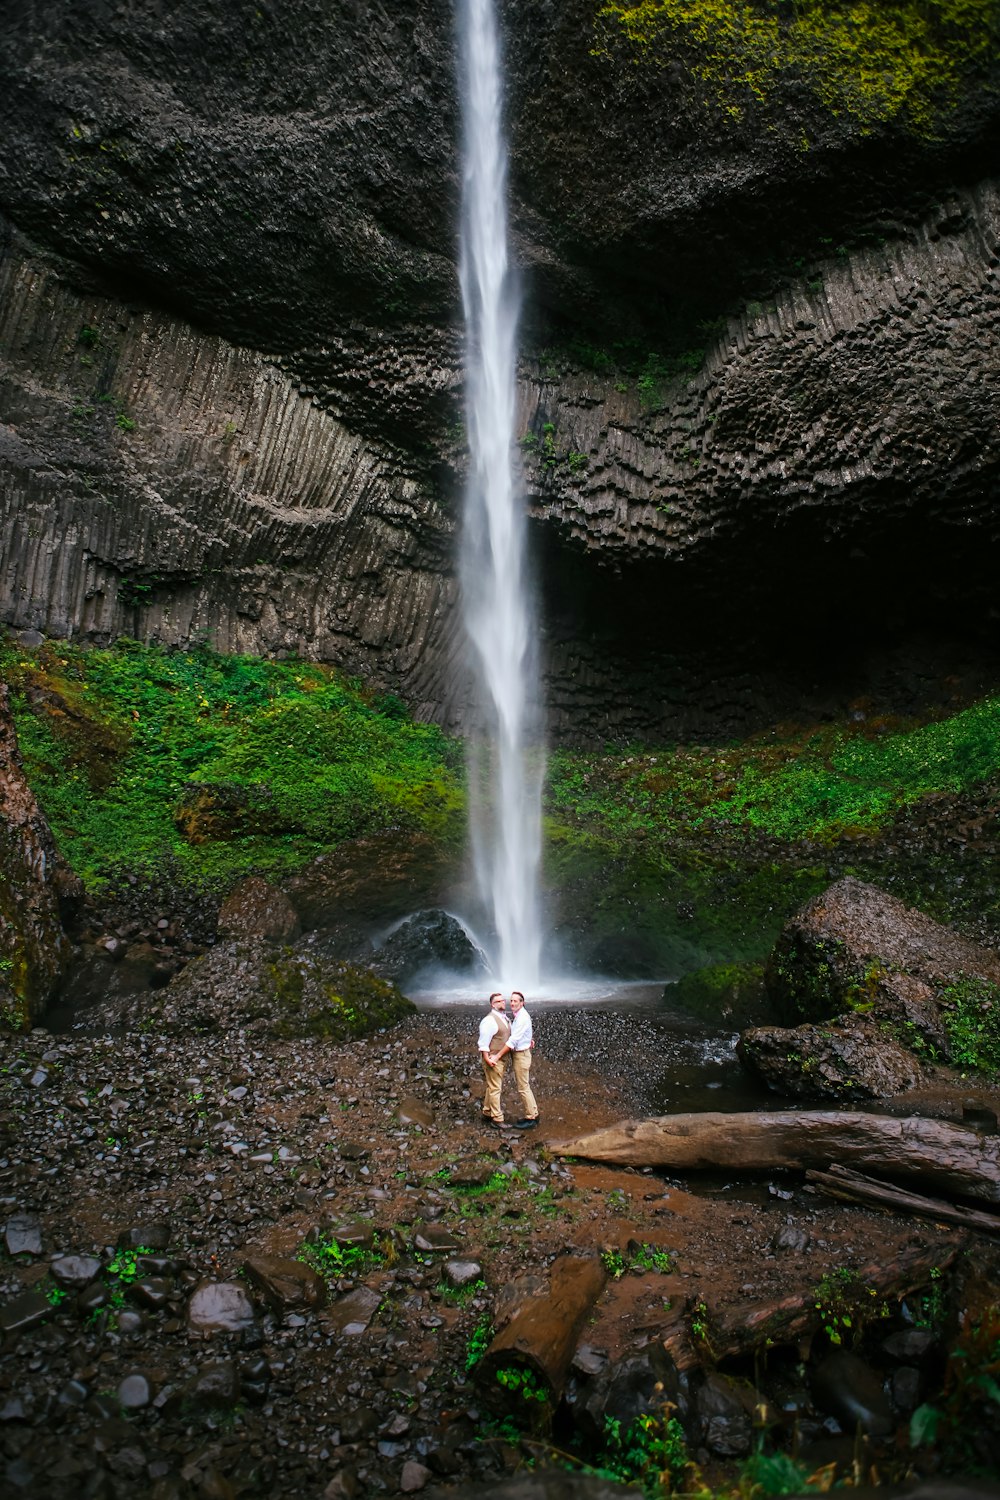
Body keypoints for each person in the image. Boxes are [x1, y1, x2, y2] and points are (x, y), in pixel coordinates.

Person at [496, 989, 538, 1129]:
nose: (512, 1003)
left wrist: (498, 1055)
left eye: (515, 1001)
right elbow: (522, 1033)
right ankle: (533, 1113)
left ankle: (531, 1118)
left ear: (522, 1003)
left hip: (521, 1056)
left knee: (523, 1087)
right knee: (524, 1086)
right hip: (521, 1053)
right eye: (511, 1000)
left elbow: (513, 1040)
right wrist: (529, 1039)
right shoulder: (519, 1015)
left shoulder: (522, 1017)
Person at [477, 991, 510, 1126]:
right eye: (497, 1001)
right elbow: (483, 1042)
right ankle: (497, 1118)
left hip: (501, 1057)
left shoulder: (504, 1018)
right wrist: (487, 1058)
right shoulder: (489, 1020)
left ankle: (486, 1111)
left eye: (503, 1000)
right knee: (496, 1088)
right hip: (493, 1058)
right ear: (492, 1004)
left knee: (492, 1086)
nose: (501, 1003)